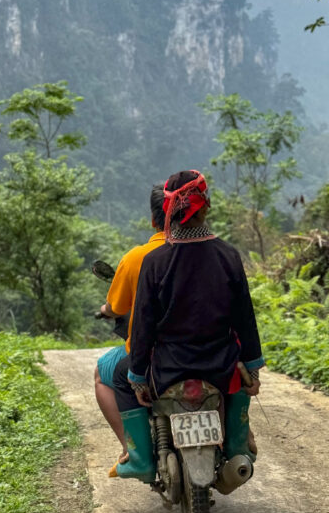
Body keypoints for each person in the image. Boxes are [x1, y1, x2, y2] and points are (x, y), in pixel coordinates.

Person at [112, 169, 264, 482]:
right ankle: (238, 447)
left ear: (167, 212)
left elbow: (142, 327)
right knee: (241, 386)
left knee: (120, 376)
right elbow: (244, 319)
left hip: (168, 369)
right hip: (219, 367)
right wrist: (252, 368)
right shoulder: (229, 256)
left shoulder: (156, 262)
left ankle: (139, 458)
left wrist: (139, 377)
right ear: (205, 205)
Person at [93, 183, 166, 472]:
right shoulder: (205, 255)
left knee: (104, 373)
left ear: (153, 219)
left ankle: (132, 450)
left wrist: (105, 310)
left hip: (150, 358)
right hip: (205, 350)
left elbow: (116, 307)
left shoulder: (137, 258)